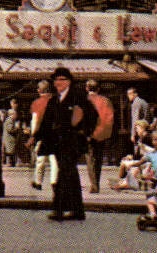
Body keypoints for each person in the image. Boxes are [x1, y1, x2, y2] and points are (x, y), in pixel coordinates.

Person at [38, 65, 93, 222]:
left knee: (64, 173)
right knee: (70, 174)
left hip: (73, 141)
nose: (59, 82)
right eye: (57, 79)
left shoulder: (78, 96)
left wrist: (85, 133)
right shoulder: (54, 100)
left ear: (69, 81)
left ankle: (59, 209)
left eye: (63, 79)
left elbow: (91, 115)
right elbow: (46, 122)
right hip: (58, 142)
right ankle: (77, 210)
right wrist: (36, 138)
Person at [83, 79, 114, 194]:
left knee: (90, 160)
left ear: (87, 88)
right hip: (101, 135)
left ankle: (94, 185)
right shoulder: (106, 101)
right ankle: (96, 183)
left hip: (88, 135)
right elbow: (109, 119)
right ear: (98, 89)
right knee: (98, 159)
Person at [2, 97, 28, 167]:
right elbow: (10, 129)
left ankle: (12, 162)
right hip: (10, 139)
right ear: (12, 115)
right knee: (10, 151)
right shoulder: (10, 120)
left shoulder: (11, 119)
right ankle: (10, 163)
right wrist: (17, 128)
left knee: (11, 151)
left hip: (11, 139)